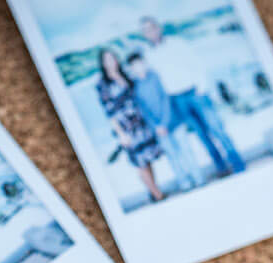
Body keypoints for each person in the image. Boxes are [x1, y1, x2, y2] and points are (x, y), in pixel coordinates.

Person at [139, 16, 246, 181]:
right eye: (146, 30)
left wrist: (202, 87)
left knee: (216, 129)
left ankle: (237, 163)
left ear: (158, 27)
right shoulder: (148, 55)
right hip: (177, 100)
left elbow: (197, 63)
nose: (150, 32)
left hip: (196, 93)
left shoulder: (177, 43)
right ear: (144, 34)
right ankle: (221, 167)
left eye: (152, 27)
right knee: (201, 135)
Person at [95, 50, 166, 204]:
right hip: (126, 128)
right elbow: (109, 113)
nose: (111, 61)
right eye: (107, 59)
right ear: (102, 63)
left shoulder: (125, 74)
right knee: (139, 162)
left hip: (141, 123)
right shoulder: (103, 84)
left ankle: (154, 191)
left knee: (147, 158)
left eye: (113, 58)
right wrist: (121, 134)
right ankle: (157, 194)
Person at [127, 50, 200, 192]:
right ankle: (184, 183)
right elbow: (143, 110)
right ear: (131, 69)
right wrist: (157, 126)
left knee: (186, 151)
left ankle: (198, 179)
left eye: (140, 64)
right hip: (158, 130)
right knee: (172, 156)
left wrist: (164, 123)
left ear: (144, 63)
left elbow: (165, 98)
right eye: (134, 66)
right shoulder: (134, 87)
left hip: (174, 121)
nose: (138, 67)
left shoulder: (155, 76)